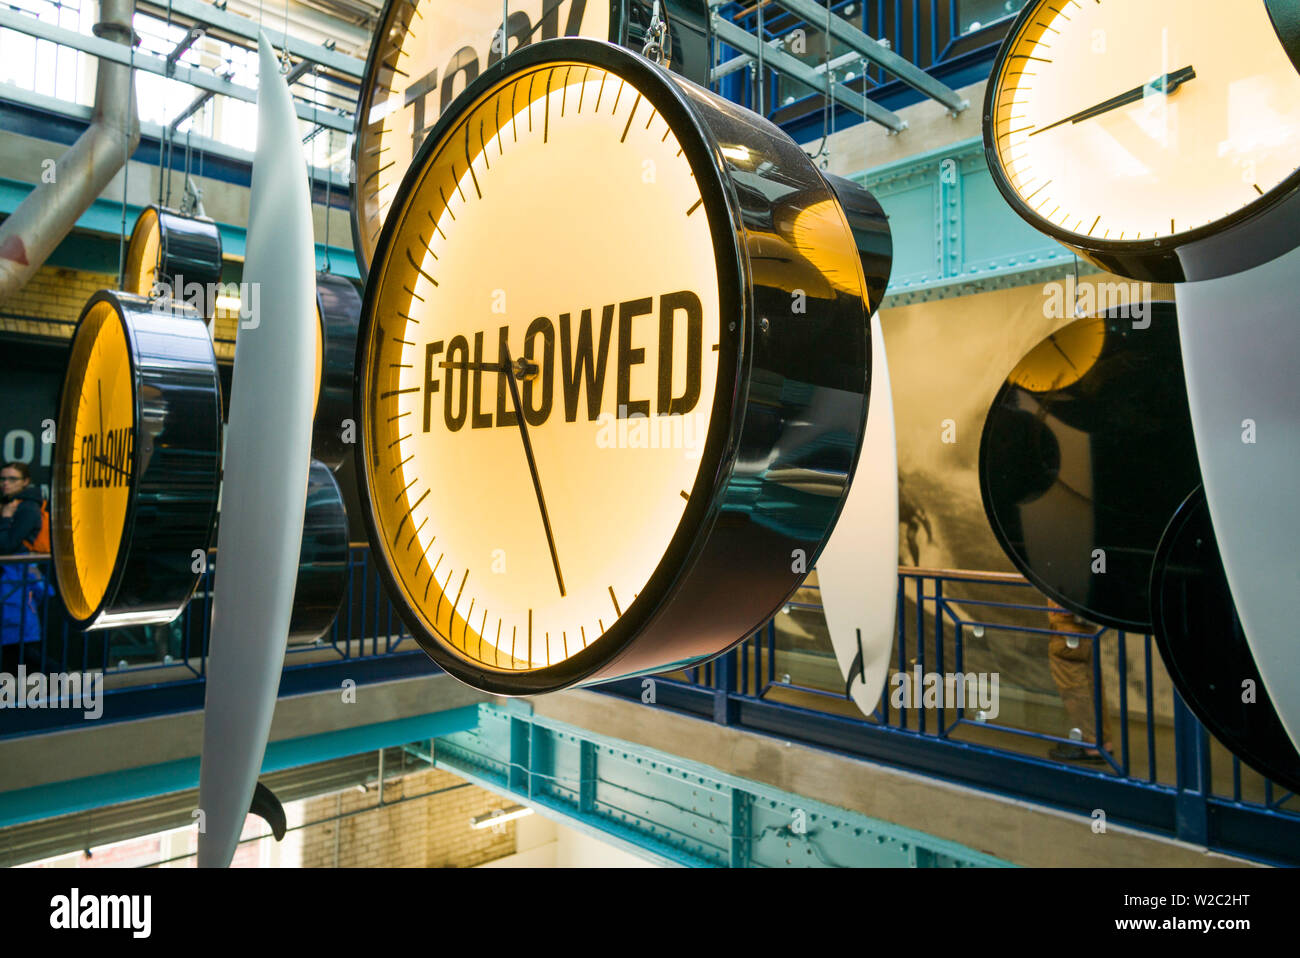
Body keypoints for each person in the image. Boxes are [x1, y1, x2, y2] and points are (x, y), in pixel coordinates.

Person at [1045, 599, 1113, 764]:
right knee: (1091, 683)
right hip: (1082, 625)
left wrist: (1068, 601)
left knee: (1073, 685)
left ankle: (1092, 744)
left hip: (1068, 625)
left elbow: (1074, 577)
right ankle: (1103, 742)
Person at [1, 462, 46, 670]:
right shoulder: (8, 502)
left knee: (20, 643)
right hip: (11, 580)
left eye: (12, 479)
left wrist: (6, 518)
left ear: (25, 481)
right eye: (3, 479)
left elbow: (6, 546)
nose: (5, 484)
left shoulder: (27, 507)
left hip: (18, 579)